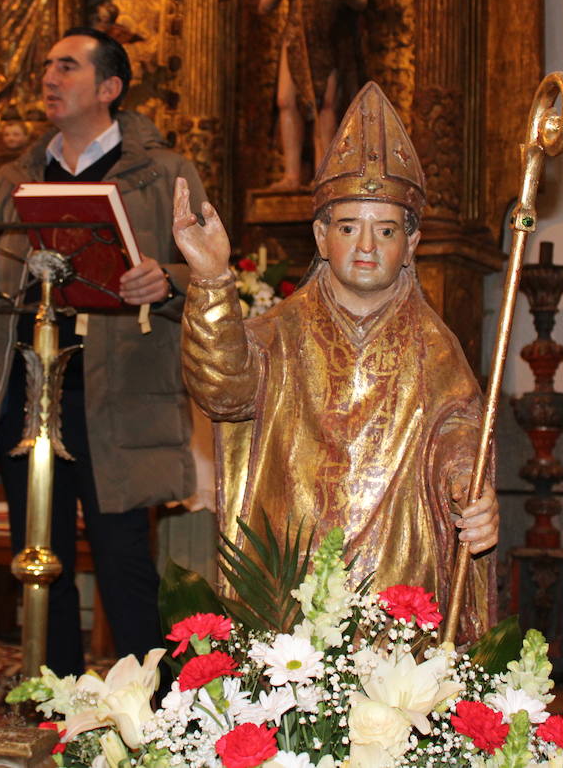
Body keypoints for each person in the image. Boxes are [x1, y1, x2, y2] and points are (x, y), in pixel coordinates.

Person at [172, 82, 499, 642]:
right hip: (290, 567)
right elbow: (222, 388)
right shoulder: (278, 333)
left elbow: (460, 425)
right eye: (349, 227)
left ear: (411, 244)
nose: (367, 246)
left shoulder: (434, 344)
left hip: (398, 565)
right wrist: (210, 281)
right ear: (322, 236)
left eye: (387, 230)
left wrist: (466, 479)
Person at [0, 27, 205, 676]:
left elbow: (214, 279)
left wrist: (166, 280)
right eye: (47, 66)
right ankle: (56, 712)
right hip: (30, 398)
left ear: (110, 88)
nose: (49, 78)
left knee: (123, 564)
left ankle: (151, 726)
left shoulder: (165, 175)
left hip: (118, 402)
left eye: (68, 67)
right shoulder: (15, 178)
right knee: (39, 565)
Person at [257, 0, 369, 191]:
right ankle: (292, 174)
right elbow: (265, 5)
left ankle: (323, 173)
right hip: (295, 35)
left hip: (329, 37)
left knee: (326, 103)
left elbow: (361, 0)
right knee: (285, 101)